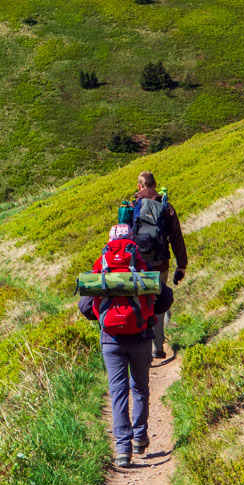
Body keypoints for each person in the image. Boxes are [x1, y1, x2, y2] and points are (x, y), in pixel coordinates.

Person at [78, 223, 174, 468]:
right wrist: (150, 315)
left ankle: (123, 449)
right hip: (141, 336)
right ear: (133, 242)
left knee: (117, 391)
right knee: (140, 387)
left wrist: (103, 317)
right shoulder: (142, 266)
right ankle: (140, 437)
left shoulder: (102, 267)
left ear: (109, 242)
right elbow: (165, 297)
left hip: (110, 340)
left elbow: (86, 307)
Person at [131, 170, 187, 358]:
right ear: (155, 185)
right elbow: (176, 238)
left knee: (139, 301)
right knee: (158, 301)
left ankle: (140, 347)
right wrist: (181, 265)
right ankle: (158, 347)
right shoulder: (165, 206)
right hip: (160, 262)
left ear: (139, 186)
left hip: (138, 264)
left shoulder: (133, 206)